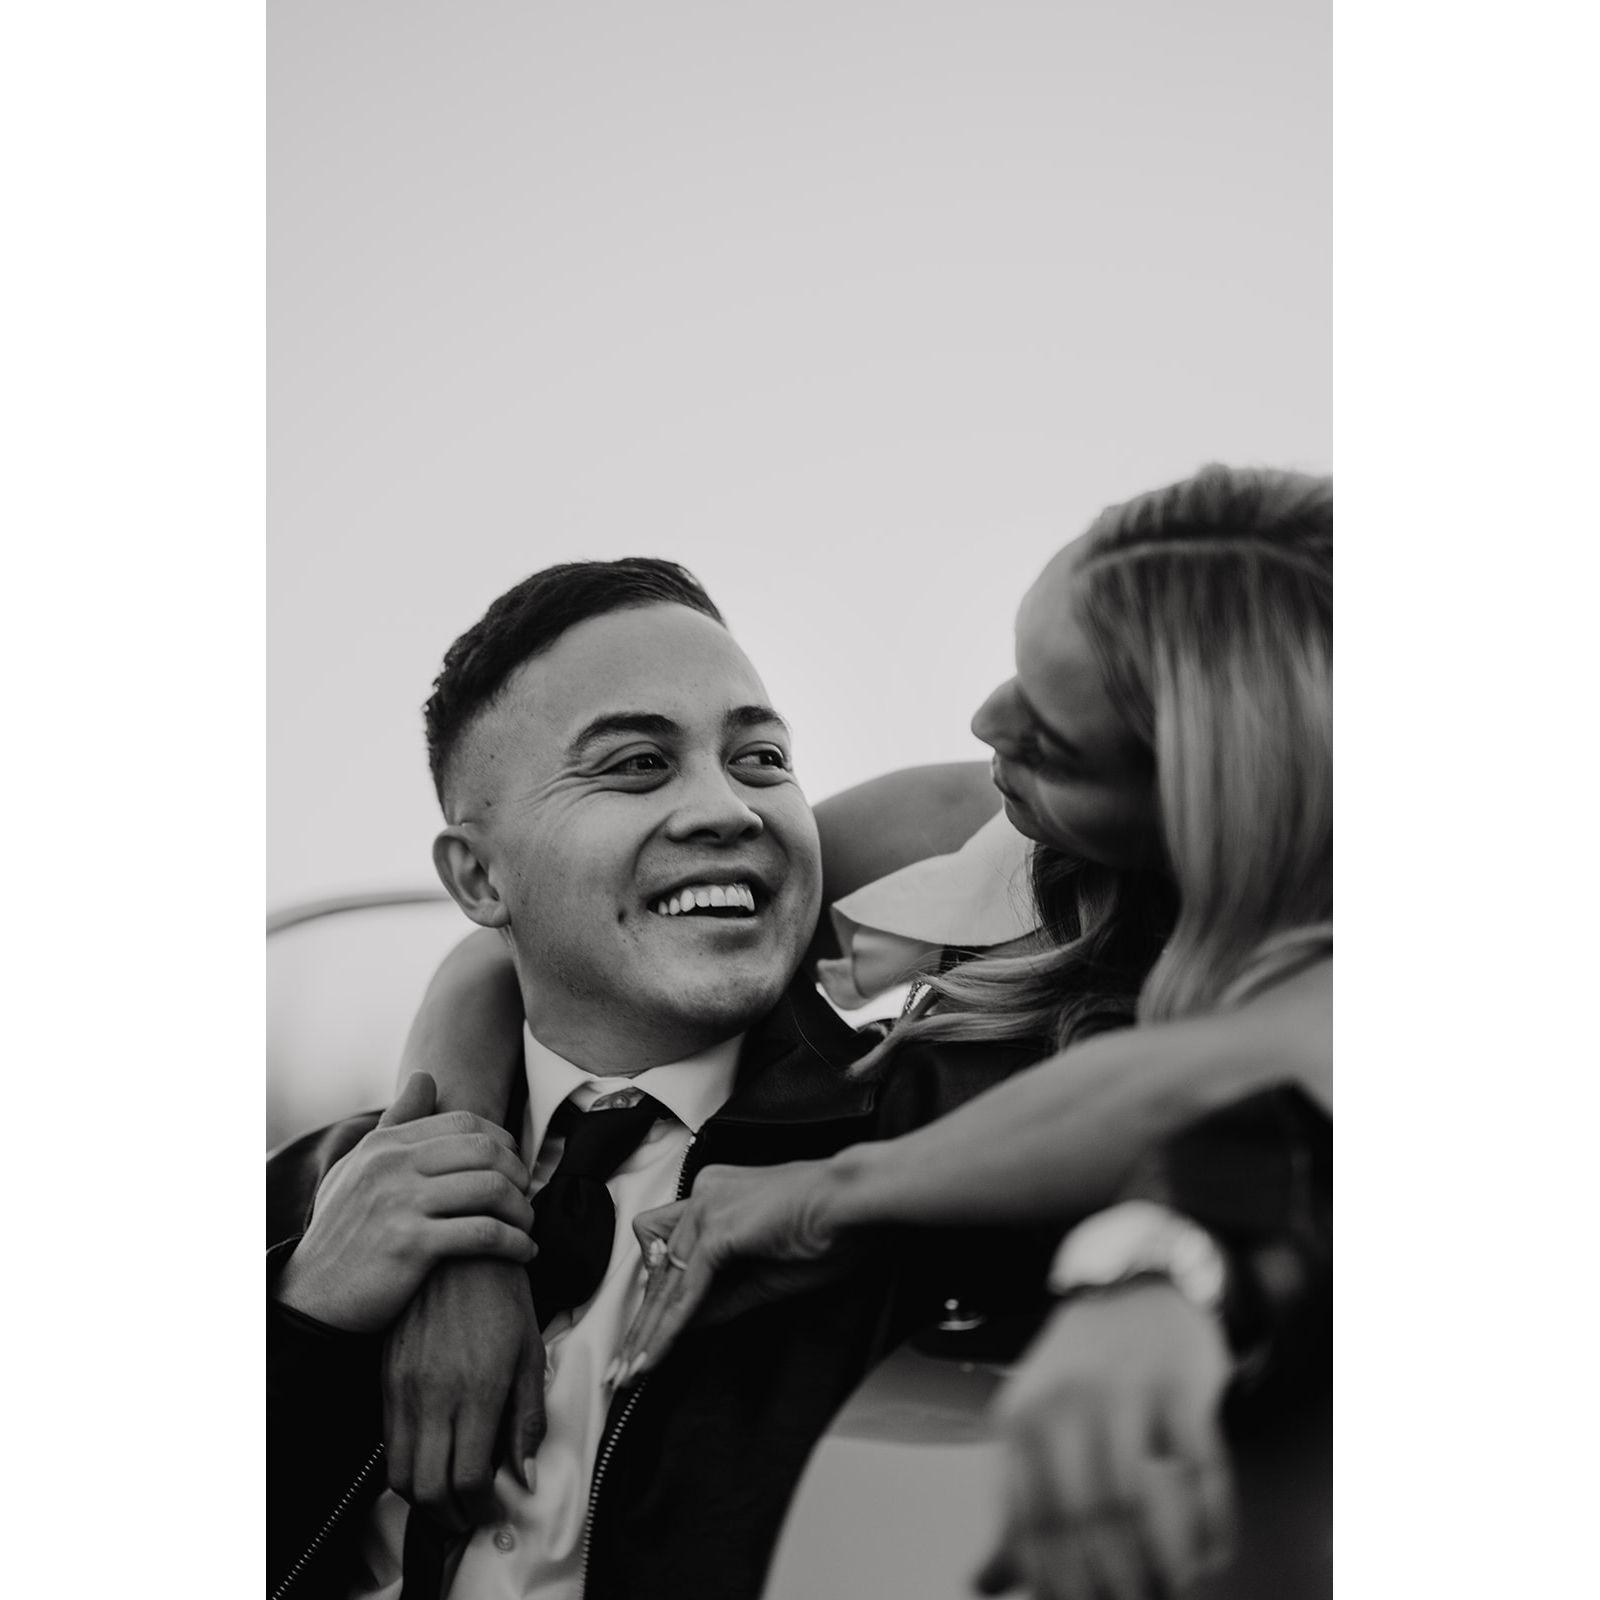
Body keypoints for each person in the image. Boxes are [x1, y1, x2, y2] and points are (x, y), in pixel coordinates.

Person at [402, 465, 1332, 1597]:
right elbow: (517, 942)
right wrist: (457, 1212)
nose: (985, 726)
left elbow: (1217, 1098)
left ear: (1201, 802)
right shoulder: (985, 826)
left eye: (1053, 736)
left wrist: (1155, 1268)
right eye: (1017, 669)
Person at [267, 558, 1070, 1600]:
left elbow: (1094, 794)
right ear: (476, 875)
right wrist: (307, 1324)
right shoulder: (302, 1200)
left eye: (761, 758)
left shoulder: (935, 1148)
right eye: (638, 764)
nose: (727, 807)